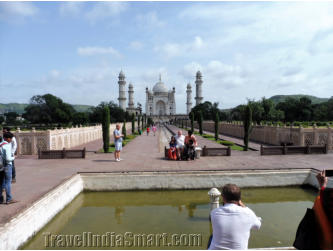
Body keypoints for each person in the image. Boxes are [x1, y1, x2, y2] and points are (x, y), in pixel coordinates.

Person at [209, 184, 261, 250]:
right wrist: (243, 205)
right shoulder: (248, 213)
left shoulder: (214, 213)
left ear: (223, 197)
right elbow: (257, 226)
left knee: (212, 236)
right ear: (239, 198)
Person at [0, 132, 17, 204]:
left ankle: (0, 199)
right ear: (7, 138)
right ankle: (9, 199)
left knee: (1, 182)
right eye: (11, 138)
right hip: (7, 165)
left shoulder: (1, 144)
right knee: (8, 182)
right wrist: (13, 158)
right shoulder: (7, 145)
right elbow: (8, 158)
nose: (11, 140)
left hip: (1, 165)